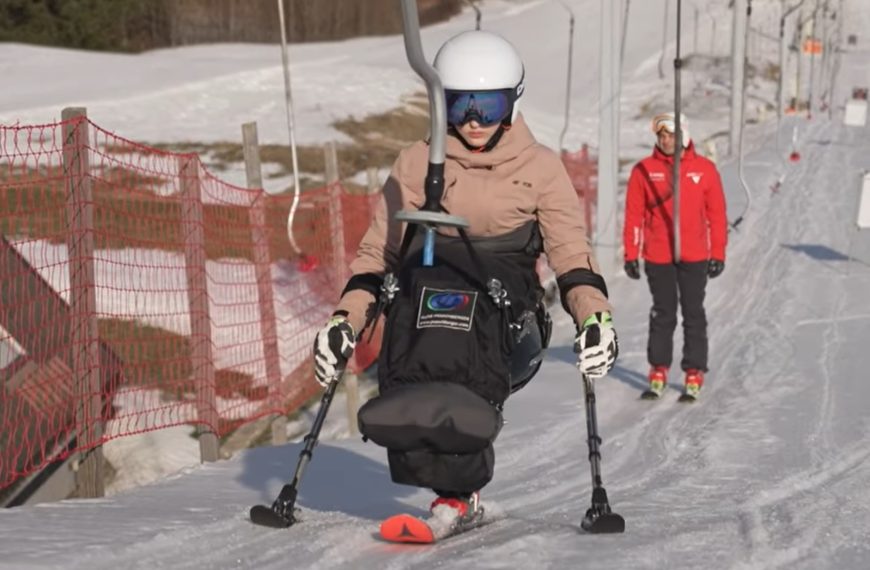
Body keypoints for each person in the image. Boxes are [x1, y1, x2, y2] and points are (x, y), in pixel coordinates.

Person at [312, 30, 618, 538]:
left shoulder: (540, 168)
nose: (474, 121)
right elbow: (379, 252)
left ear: (512, 103)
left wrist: (594, 318)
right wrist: (345, 320)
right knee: (416, 317)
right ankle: (438, 472)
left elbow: (570, 252)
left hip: (507, 314)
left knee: (457, 332)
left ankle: (457, 490)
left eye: (489, 106)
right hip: (428, 302)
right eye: (460, 105)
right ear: (440, 104)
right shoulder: (418, 162)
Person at [622, 112, 727, 400]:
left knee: (693, 312)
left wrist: (717, 253)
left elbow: (717, 215)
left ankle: (694, 369)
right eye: (662, 135)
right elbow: (634, 216)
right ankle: (658, 369)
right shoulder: (644, 171)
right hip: (659, 256)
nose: (666, 140)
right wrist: (631, 253)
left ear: (684, 136)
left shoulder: (704, 170)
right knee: (662, 313)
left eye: (671, 135)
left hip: (694, 255)